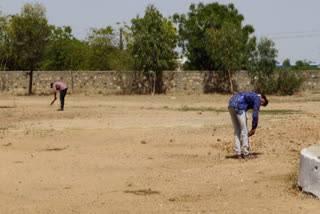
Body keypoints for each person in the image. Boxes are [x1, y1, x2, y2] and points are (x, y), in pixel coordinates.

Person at [228, 91, 268, 159]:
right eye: (262, 102)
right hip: (239, 106)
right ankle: (246, 154)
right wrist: (253, 128)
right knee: (244, 131)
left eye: (262, 104)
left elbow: (245, 103)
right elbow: (255, 114)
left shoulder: (250, 94)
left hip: (231, 105)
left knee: (237, 130)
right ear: (261, 97)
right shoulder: (257, 98)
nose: (260, 104)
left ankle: (238, 154)